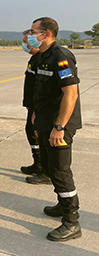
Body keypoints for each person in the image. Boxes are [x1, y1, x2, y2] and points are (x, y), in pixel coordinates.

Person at [26, 17, 82, 241]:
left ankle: (71, 222)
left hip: (59, 124)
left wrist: (59, 126)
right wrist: (37, 117)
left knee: (60, 170)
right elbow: (42, 91)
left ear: (46, 34)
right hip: (46, 121)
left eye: (33, 31)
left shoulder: (61, 56)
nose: (30, 35)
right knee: (51, 167)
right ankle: (62, 205)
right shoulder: (43, 57)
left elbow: (71, 93)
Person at [20, 35, 50, 184]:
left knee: (38, 135)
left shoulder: (40, 59)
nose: (24, 45)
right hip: (33, 105)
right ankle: (37, 163)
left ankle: (44, 169)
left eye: (26, 42)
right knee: (30, 132)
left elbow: (40, 86)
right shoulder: (34, 58)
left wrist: (35, 108)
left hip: (38, 106)